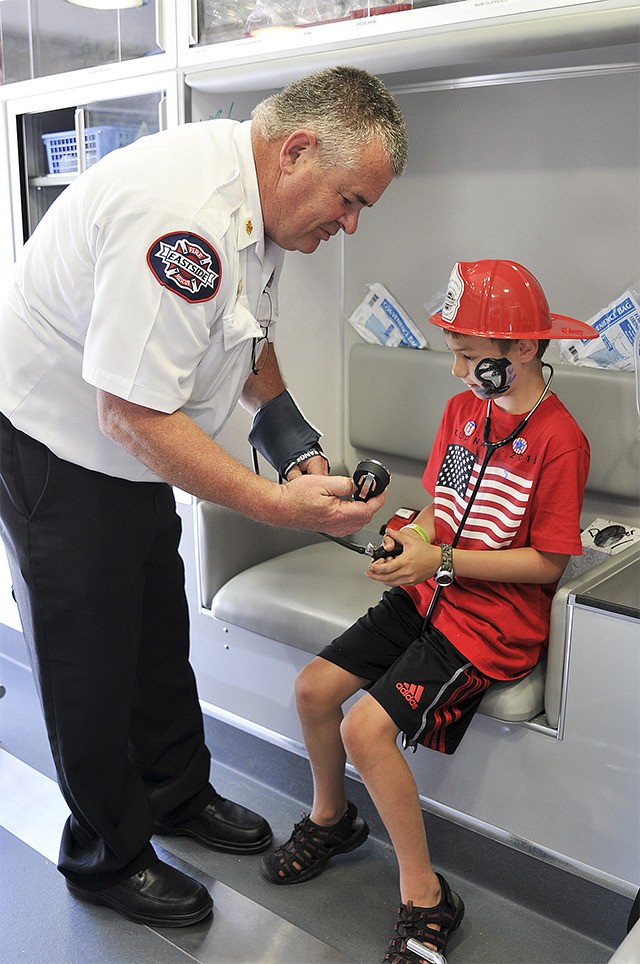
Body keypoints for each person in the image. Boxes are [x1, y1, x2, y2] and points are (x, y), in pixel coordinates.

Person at [0, 66, 408, 928]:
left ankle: (177, 796)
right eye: (348, 199)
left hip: (128, 449)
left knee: (154, 628)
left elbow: (250, 339)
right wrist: (277, 507)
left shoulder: (262, 212)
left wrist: (295, 449)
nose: (350, 222)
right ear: (297, 150)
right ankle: (106, 856)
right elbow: (129, 410)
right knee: (90, 656)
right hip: (56, 444)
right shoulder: (182, 216)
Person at [261, 259, 599, 963]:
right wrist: (410, 542)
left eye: (472, 357)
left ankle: (426, 897)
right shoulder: (461, 414)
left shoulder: (560, 441)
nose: (457, 371)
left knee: (366, 732)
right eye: (455, 352)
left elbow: (546, 564)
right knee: (313, 690)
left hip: (493, 626)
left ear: (525, 350)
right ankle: (333, 819)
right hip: (430, 593)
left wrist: (438, 561)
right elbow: (443, 516)